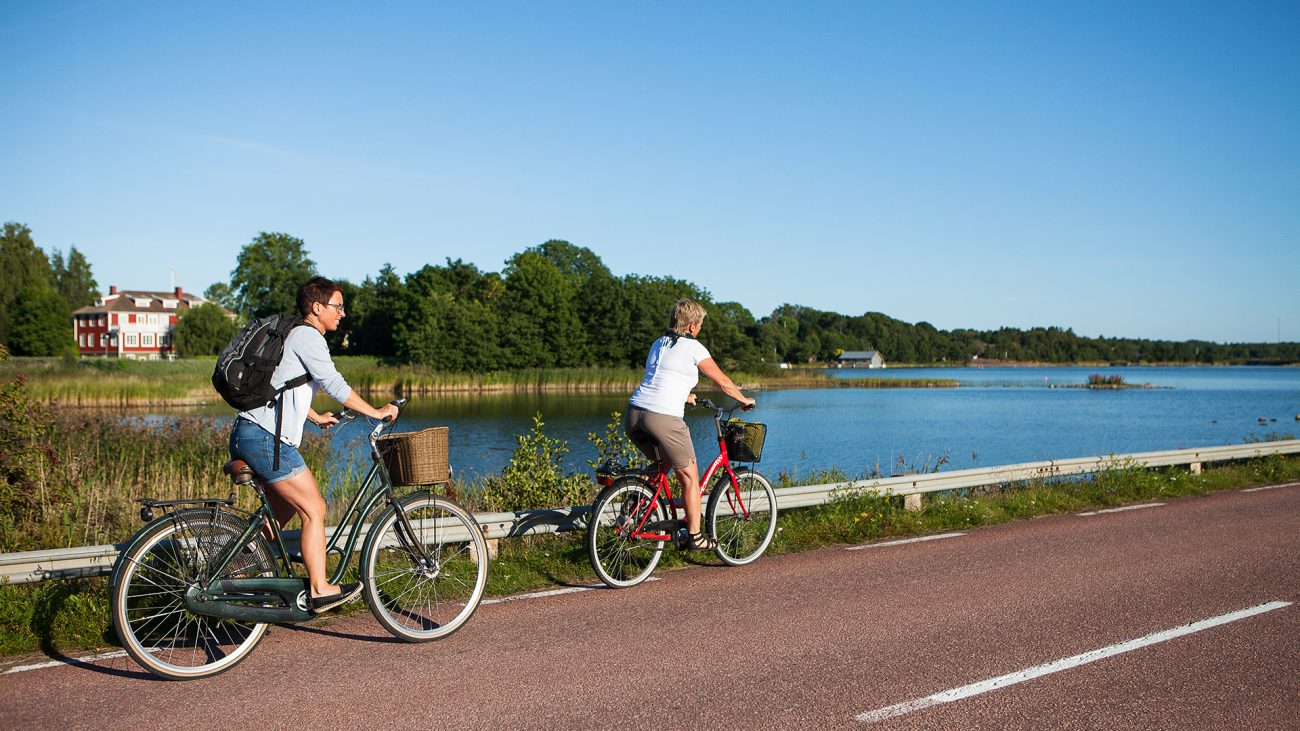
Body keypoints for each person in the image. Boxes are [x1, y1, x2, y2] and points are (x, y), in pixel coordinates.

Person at [229, 276, 399, 613]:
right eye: (337, 306)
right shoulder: (308, 336)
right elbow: (335, 384)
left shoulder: (294, 335)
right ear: (317, 308)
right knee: (315, 508)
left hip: (251, 432)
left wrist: (314, 417)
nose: (343, 313)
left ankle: (236, 564)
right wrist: (376, 411)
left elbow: (278, 387)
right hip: (266, 439)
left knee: (288, 507)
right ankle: (320, 589)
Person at [625, 299, 756, 550]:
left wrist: (686, 396)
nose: (701, 329)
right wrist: (743, 399)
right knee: (690, 479)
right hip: (663, 418)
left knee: (661, 465)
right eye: (701, 325)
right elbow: (722, 381)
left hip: (634, 415)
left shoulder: (658, 343)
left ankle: (631, 503)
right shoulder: (694, 347)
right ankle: (695, 536)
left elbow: (658, 377)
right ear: (693, 325)